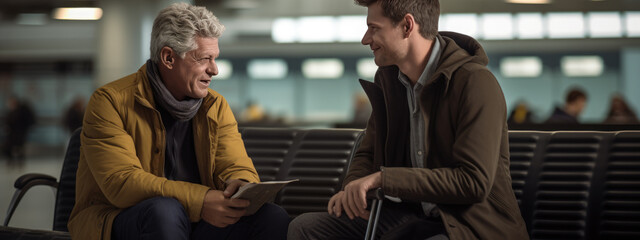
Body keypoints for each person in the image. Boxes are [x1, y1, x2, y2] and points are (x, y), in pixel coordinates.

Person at [288, 0, 529, 239]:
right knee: (306, 228)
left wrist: (385, 179)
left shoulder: (474, 83)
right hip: (409, 216)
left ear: (407, 26)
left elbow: (472, 181)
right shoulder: (390, 81)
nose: (365, 39)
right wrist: (354, 190)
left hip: (469, 224)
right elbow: (368, 153)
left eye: (374, 28)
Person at [68, 3, 289, 240]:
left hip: (195, 219)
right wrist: (201, 200)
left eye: (215, 59)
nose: (214, 69)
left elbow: (235, 163)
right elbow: (121, 183)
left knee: (270, 216)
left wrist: (241, 184)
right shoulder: (110, 102)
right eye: (205, 59)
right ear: (168, 58)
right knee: (165, 212)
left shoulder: (216, 106)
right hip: (118, 218)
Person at [3, 96, 35, 166]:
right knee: (8, 148)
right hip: (11, 134)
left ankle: (20, 162)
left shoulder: (21, 111)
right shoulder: (11, 111)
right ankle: (11, 161)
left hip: (19, 133)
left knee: (19, 148)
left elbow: (26, 121)